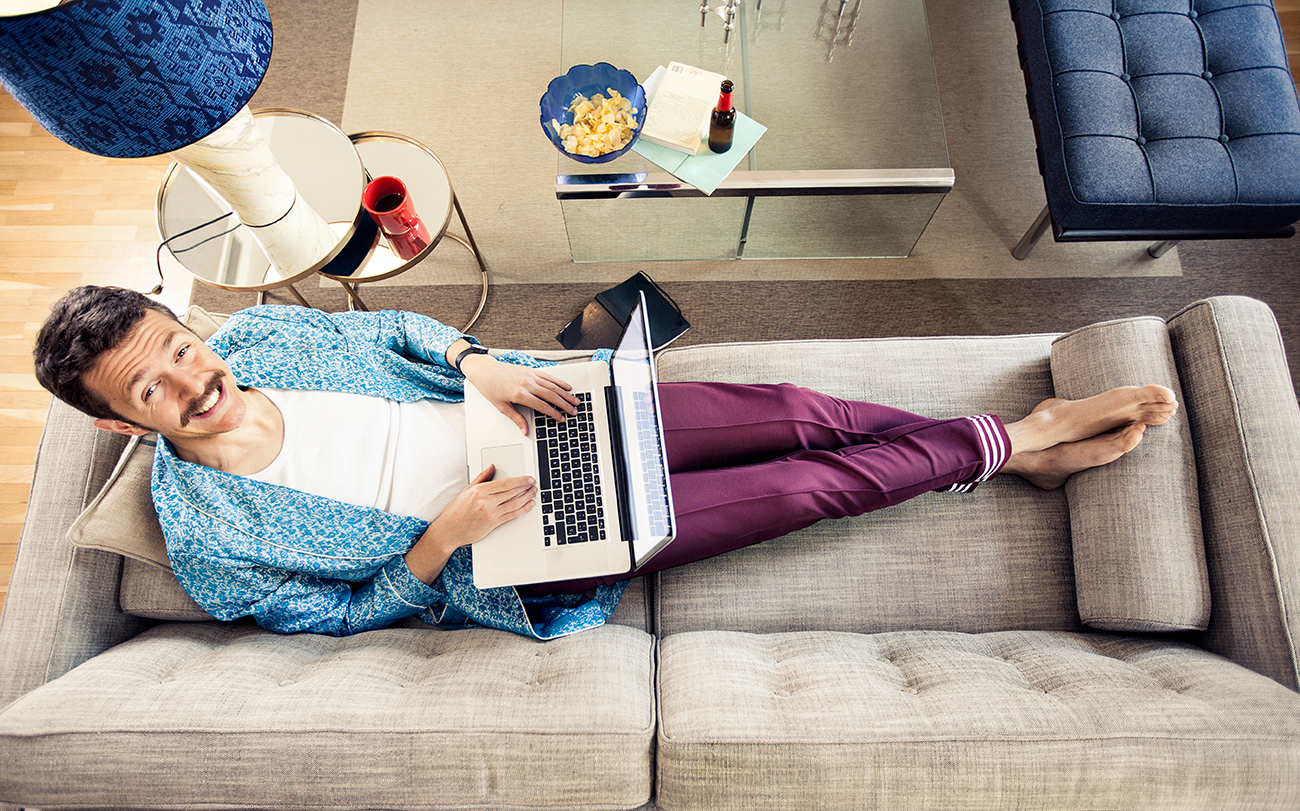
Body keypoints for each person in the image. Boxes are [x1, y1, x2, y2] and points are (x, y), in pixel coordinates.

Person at [33, 285, 1178, 640]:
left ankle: (999, 453)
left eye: (178, 346)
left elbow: (392, 330)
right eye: (154, 390)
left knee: (793, 411)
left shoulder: (265, 334)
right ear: (118, 426)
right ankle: (1017, 445)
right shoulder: (209, 537)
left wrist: (473, 357)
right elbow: (330, 617)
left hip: (543, 415)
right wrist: (442, 544)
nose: (196, 381)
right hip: (521, 550)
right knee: (809, 488)